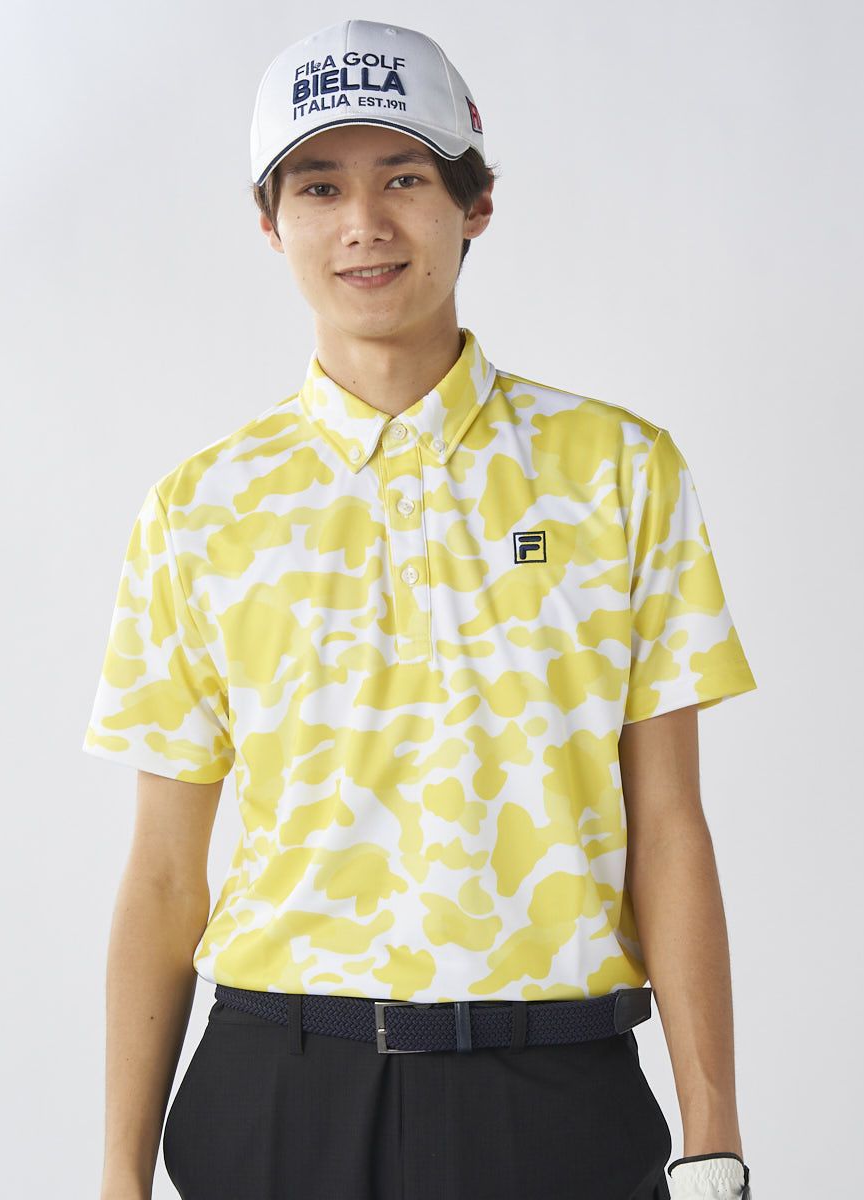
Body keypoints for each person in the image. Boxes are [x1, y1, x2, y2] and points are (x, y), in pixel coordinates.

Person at [84, 18, 756, 1200]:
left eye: (403, 178)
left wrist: (713, 1138)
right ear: (270, 222)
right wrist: (117, 1180)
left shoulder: (617, 472)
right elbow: (164, 876)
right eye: (318, 186)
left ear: (473, 203)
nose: (363, 223)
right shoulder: (202, 509)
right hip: (276, 1089)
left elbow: (669, 825)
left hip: (555, 1091)